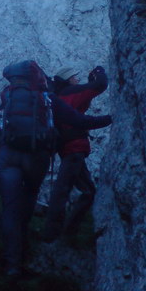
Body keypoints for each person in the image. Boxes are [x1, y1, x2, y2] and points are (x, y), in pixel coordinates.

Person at [0, 60, 111, 279]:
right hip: (37, 158)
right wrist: (109, 119)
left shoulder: (7, 97)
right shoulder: (46, 98)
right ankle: (27, 250)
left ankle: (11, 264)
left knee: (9, 209)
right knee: (27, 202)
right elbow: (77, 120)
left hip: (7, 156)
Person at [42, 64, 108, 243]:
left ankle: (64, 232)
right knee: (64, 189)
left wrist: (88, 82)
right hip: (75, 148)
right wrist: (99, 71)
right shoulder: (72, 93)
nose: (77, 79)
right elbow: (101, 85)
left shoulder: (61, 96)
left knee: (87, 190)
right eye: (74, 77)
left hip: (67, 148)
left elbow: (83, 96)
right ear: (69, 80)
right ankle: (58, 234)